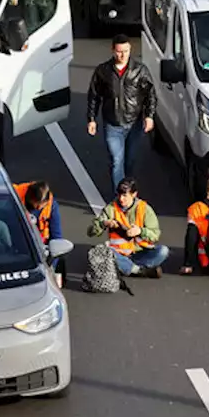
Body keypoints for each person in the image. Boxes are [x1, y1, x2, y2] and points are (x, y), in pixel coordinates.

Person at [87, 35, 157, 189]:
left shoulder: (139, 70)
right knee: (116, 160)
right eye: (119, 52)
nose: (123, 55)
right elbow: (94, 95)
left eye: (126, 51)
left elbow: (150, 94)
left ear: (130, 49)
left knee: (130, 160)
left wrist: (149, 116)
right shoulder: (103, 71)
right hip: (113, 124)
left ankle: (128, 187)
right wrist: (91, 118)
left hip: (134, 123)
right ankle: (120, 194)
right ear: (113, 51)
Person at [88, 177, 168, 278]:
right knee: (104, 251)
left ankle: (128, 268)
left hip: (140, 253)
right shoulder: (110, 209)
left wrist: (140, 231)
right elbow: (91, 232)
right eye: (119, 195)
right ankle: (139, 270)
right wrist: (103, 224)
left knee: (163, 251)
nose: (121, 199)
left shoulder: (145, 209)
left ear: (134, 194)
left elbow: (155, 235)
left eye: (125, 195)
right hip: (119, 254)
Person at [14, 180, 66, 287]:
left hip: (40, 249)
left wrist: (51, 267)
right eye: (36, 206)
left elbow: (56, 238)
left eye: (40, 207)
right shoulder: (14, 197)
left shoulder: (52, 207)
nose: (37, 209)